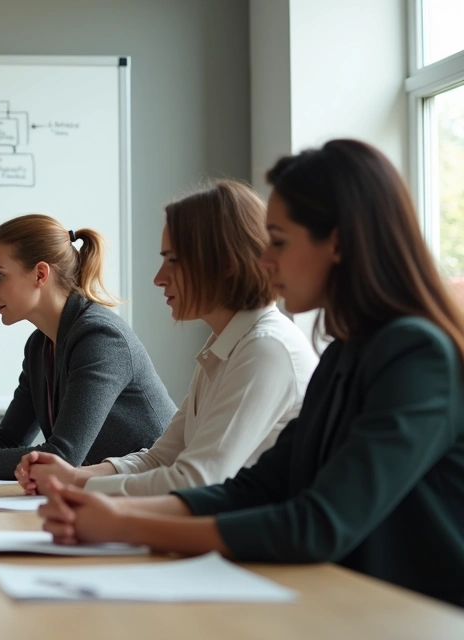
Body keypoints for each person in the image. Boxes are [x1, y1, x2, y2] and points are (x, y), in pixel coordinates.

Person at [38, 140, 464, 607]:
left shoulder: (416, 355)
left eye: (279, 241)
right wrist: (103, 508)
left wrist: (125, 522)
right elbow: (258, 487)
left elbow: (317, 524)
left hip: (415, 616)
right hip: (352, 604)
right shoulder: (347, 351)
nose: (264, 259)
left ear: (337, 242)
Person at [16, 181, 318, 496]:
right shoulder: (226, 346)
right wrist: (73, 477)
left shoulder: (265, 349)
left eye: (173, 260)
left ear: (226, 263)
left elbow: (197, 480)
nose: (159, 278)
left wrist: (82, 488)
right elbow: (161, 458)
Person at [0, 215, 174, 479]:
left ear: (40, 274)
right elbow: (8, 439)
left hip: (159, 490)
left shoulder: (100, 337)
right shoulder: (39, 345)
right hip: (109, 492)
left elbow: (63, 457)